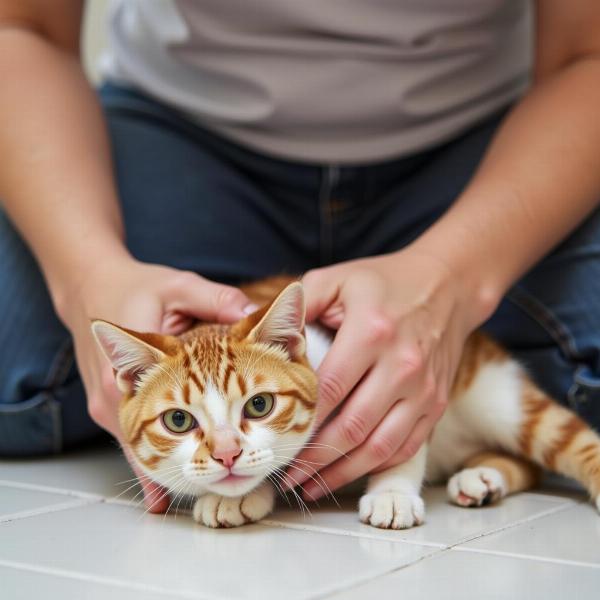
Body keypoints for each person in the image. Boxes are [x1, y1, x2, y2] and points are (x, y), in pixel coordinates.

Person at [1, 0, 599, 510]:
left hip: (484, 146)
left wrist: (456, 277)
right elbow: (20, 25)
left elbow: (588, 52)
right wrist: (85, 275)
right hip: (178, 132)